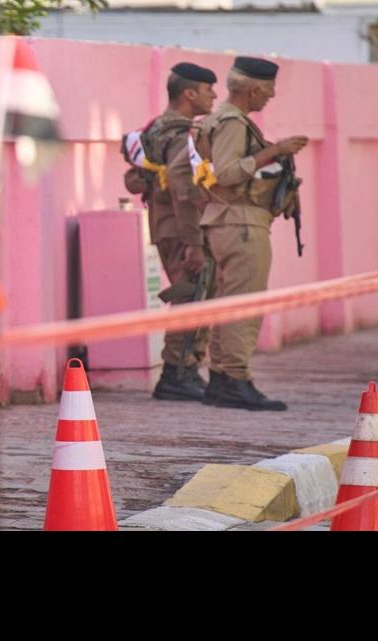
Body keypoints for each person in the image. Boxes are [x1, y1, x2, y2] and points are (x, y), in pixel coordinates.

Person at [194, 57, 309, 411]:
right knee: (246, 303)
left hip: (227, 220)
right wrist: (274, 151)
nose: (268, 100)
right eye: (268, 94)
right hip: (240, 222)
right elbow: (227, 173)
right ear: (254, 89)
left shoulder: (218, 119)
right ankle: (236, 380)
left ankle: (221, 379)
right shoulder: (231, 122)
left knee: (228, 303)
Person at [132, 62, 218, 402]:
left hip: (164, 224)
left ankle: (184, 371)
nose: (213, 96)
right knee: (192, 294)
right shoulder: (183, 133)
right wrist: (195, 243)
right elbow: (184, 190)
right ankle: (176, 373)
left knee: (192, 293)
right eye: (208, 90)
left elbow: (136, 177)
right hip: (182, 228)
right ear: (190, 93)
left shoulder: (154, 128)